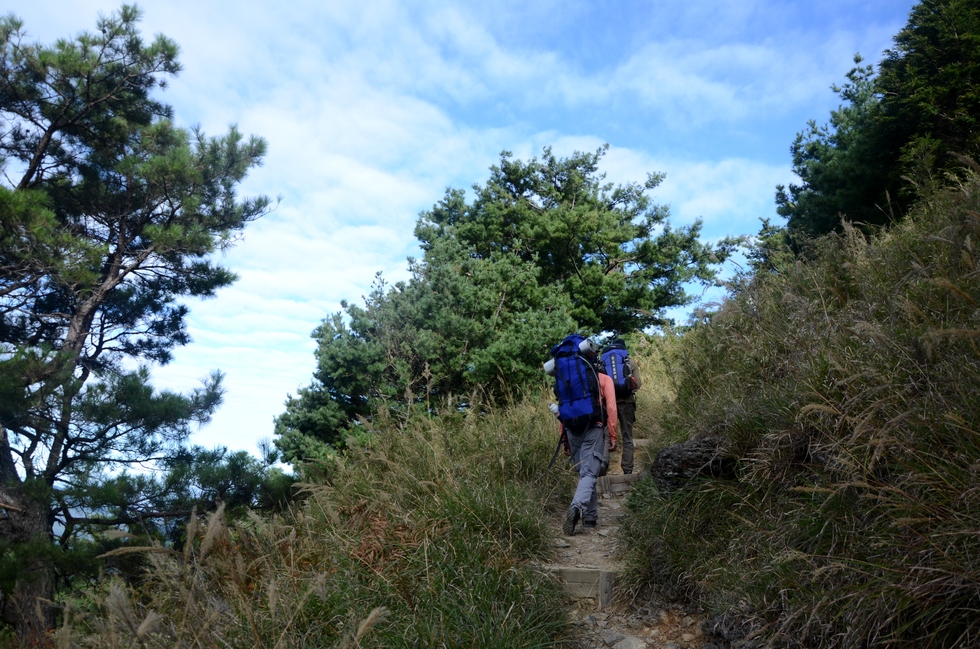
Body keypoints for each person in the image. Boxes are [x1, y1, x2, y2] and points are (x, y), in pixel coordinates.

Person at [549, 337, 617, 536]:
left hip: (571, 428)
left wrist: (564, 438)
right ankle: (576, 507)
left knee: (585, 473)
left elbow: (562, 408)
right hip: (593, 427)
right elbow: (611, 408)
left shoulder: (567, 378)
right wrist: (612, 434)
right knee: (589, 473)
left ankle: (590, 518)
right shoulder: (602, 379)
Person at [602, 338, 642, 474]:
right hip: (626, 403)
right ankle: (627, 469)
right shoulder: (629, 362)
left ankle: (603, 467)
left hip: (607, 404)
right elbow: (637, 384)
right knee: (627, 437)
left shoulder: (603, 363)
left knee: (606, 437)